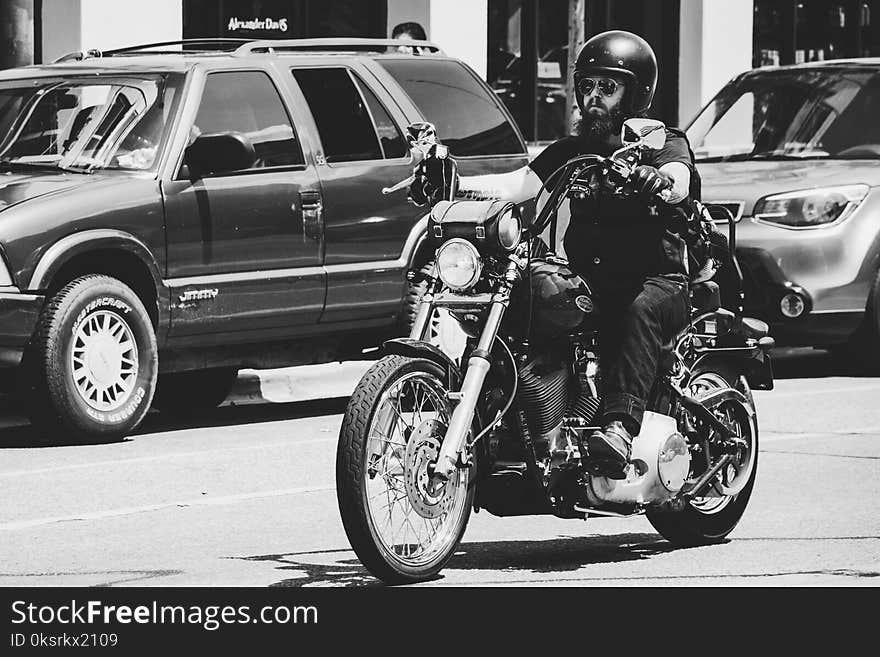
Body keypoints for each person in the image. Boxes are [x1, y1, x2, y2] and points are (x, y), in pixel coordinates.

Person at [416, 30, 697, 480]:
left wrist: (659, 179)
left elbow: (679, 175)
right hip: (591, 281)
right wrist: (448, 177)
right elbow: (516, 185)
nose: (593, 98)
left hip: (658, 282)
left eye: (608, 88)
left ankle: (619, 428)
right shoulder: (571, 150)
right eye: (587, 86)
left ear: (636, 93)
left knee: (637, 310)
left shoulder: (661, 142)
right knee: (529, 299)